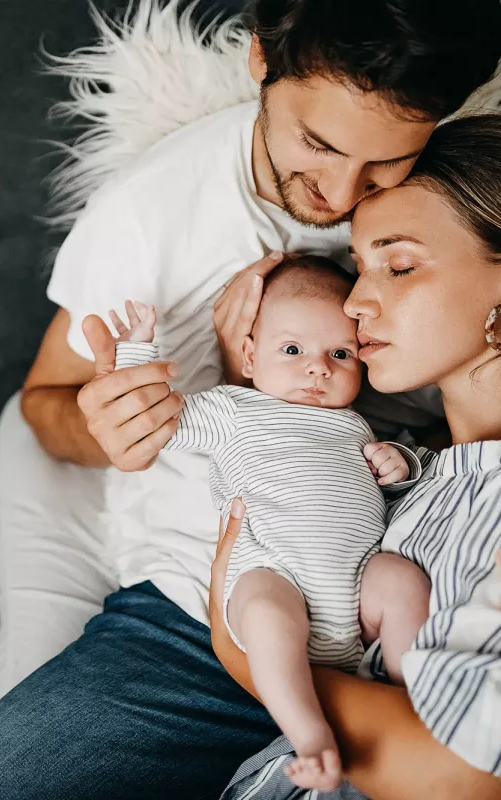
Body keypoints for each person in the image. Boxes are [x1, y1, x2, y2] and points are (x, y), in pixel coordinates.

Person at [0, 1, 501, 797]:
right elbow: (46, 400)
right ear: (259, 60)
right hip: (207, 609)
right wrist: (111, 424)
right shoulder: (150, 214)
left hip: (396, 580)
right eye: (318, 144)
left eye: (383, 165)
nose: (341, 192)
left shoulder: (444, 180)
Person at [211, 113, 501, 799]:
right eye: (359, 267)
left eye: (398, 265)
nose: (356, 302)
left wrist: (244, 656)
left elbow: (460, 776)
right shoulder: (426, 471)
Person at [111, 257, 428, 791]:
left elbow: (390, 477)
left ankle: (411, 701)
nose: (317, 368)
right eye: (292, 350)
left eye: (340, 353)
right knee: (262, 608)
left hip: (353, 588)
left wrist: (396, 461)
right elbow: (154, 415)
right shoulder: (235, 410)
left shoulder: (354, 425)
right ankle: (309, 735)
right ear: (251, 357)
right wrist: (138, 349)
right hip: (274, 571)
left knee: (402, 581)